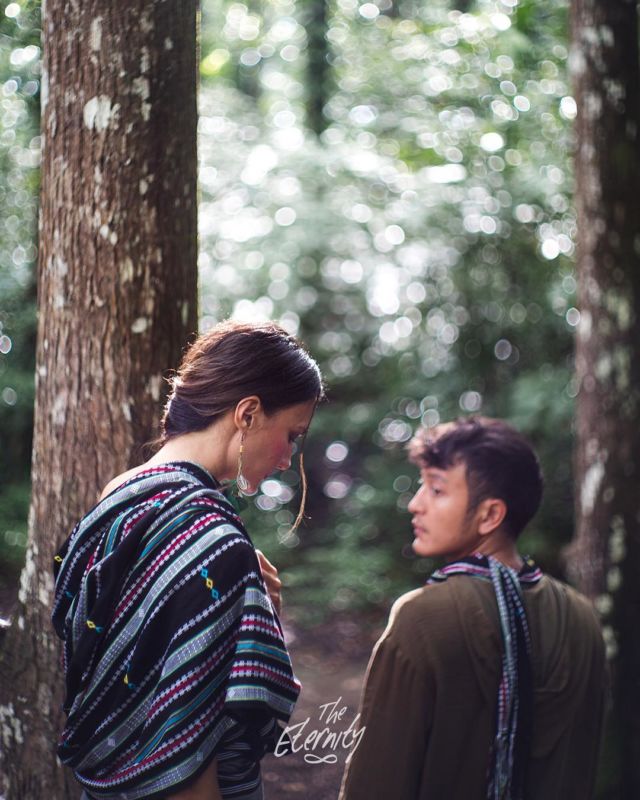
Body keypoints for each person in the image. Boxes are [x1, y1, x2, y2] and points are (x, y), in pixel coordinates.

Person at [51, 320, 324, 800]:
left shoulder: (119, 496)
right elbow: (188, 740)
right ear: (248, 414)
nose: (287, 459)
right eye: (292, 435)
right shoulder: (214, 540)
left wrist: (247, 614)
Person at [340, 416, 607, 800]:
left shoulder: (423, 618)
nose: (415, 504)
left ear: (489, 515)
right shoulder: (584, 618)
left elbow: (377, 778)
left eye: (436, 489)